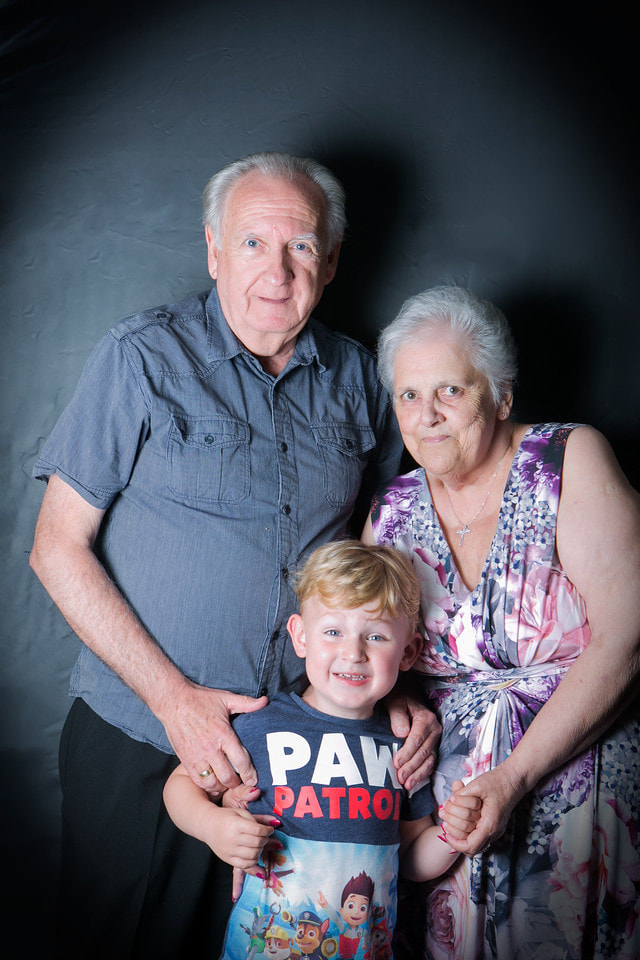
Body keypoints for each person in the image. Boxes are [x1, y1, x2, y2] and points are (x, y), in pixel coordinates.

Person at [28, 152, 441, 960]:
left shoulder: (363, 381)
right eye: (252, 243)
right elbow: (56, 550)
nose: (276, 272)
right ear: (214, 250)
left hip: (300, 759)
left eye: (300, 247)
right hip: (142, 737)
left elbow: (382, 562)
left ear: (330, 261)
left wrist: (392, 688)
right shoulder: (143, 358)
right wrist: (174, 701)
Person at [362, 285, 640, 959]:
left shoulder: (567, 461)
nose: (427, 415)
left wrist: (513, 777)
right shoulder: (390, 514)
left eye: (450, 390)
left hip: (575, 797)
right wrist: (399, 697)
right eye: (408, 395)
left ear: (502, 396)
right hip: (446, 822)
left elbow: (627, 641)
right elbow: (370, 650)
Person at [163, 540, 482, 960]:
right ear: (301, 636)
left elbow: (409, 856)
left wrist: (451, 835)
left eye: (376, 636)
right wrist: (212, 826)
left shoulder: (404, 746)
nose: (353, 653)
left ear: (408, 652)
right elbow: (181, 783)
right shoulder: (263, 724)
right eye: (333, 632)